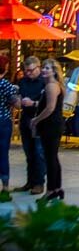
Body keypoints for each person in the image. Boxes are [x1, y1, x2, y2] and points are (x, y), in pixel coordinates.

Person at [28, 59, 65, 203]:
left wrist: (36, 120)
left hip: (50, 126)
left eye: (47, 68)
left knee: (50, 158)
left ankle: (50, 190)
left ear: (54, 71)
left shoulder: (51, 86)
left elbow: (50, 108)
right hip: (54, 125)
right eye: (43, 67)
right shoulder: (56, 85)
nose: (44, 70)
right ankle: (57, 188)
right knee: (53, 157)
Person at [14, 57, 45, 194]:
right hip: (26, 118)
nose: (29, 73)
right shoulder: (22, 82)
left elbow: (49, 104)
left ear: (39, 67)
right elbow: (18, 97)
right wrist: (18, 100)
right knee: (29, 152)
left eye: (31, 70)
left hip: (39, 119)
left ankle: (39, 183)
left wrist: (33, 103)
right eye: (26, 71)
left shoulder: (45, 83)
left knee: (39, 152)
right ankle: (30, 181)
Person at [0, 59, 21, 199]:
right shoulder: (4, 84)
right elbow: (17, 103)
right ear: (5, 67)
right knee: (2, 153)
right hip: (3, 121)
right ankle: (5, 187)